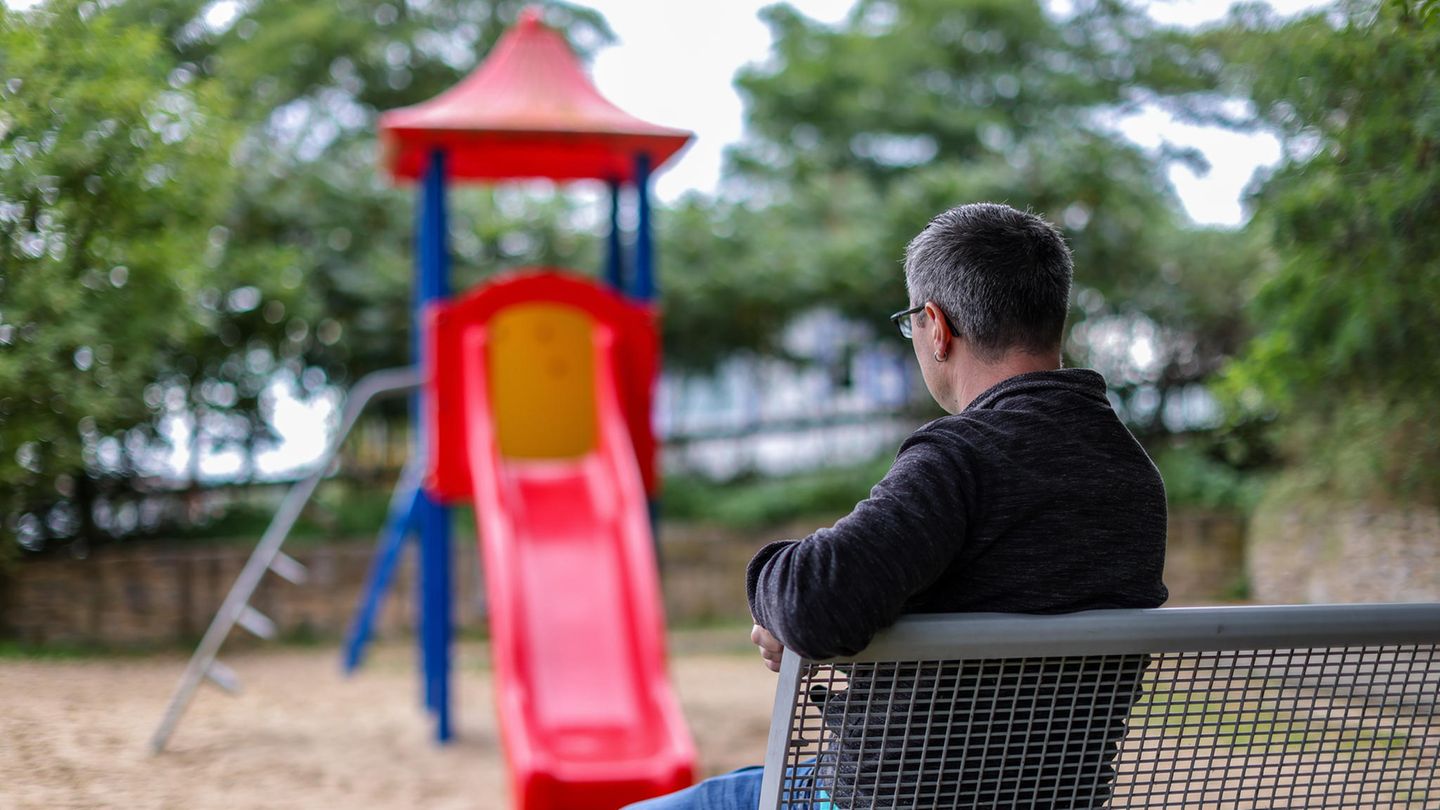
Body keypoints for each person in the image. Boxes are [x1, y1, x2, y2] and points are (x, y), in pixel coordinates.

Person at [624, 202, 1167, 809]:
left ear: (936, 326)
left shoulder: (965, 456)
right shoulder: (1134, 476)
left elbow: (811, 602)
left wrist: (773, 586)